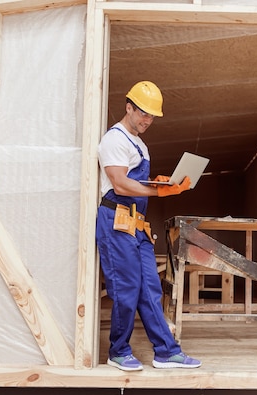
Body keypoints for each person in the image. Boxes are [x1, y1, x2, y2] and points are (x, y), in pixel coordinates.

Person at [96, 81, 202, 371]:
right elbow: (119, 182)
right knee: (127, 287)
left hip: (137, 225)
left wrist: (162, 183)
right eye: (143, 113)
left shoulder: (139, 144)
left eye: (152, 116)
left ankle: (167, 352)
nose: (147, 120)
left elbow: (135, 181)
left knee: (151, 289)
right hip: (115, 220)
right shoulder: (114, 139)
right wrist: (159, 191)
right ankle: (118, 351)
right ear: (128, 107)